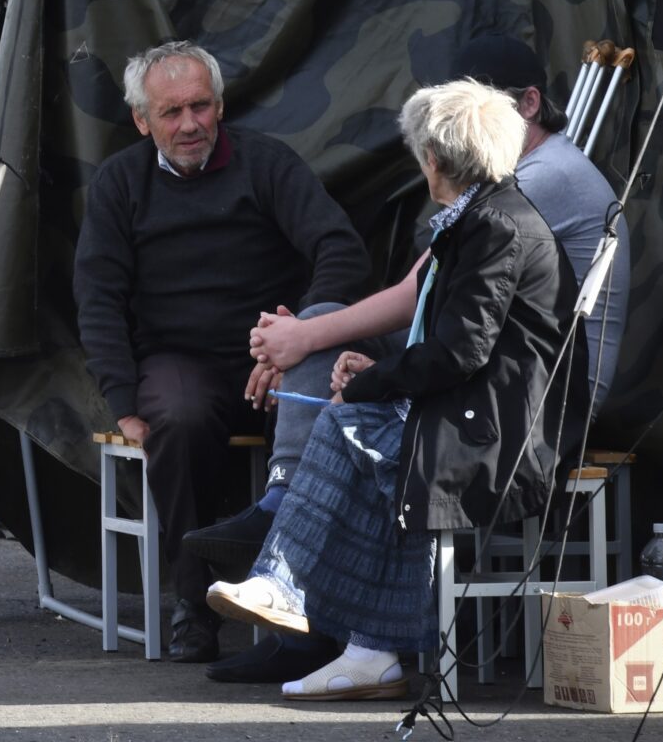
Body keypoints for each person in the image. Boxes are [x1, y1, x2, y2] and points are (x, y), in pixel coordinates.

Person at [188, 33, 624, 682]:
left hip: (519, 421)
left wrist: (372, 385)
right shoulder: (485, 214)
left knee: (357, 426)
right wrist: (376, 378)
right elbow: (457, 337)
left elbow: (459, 349)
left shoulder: (506, 215)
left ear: (433, 159)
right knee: (361, 423)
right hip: (499, 398)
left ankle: (299, 585)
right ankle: (358, 637)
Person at [72, 40, 369, 662]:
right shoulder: (119, 184)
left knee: (343, 404)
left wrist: (296, 336)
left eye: (200, 107)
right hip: (179, 363)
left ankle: (319, 610)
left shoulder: (266, 165)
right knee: (173, 418)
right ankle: (194, 603)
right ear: (141, 120)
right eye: (171, 112)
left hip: (272, 356)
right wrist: (123, 403)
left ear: (220, 105)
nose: (189, 124)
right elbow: (97, 300)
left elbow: (340, 249)